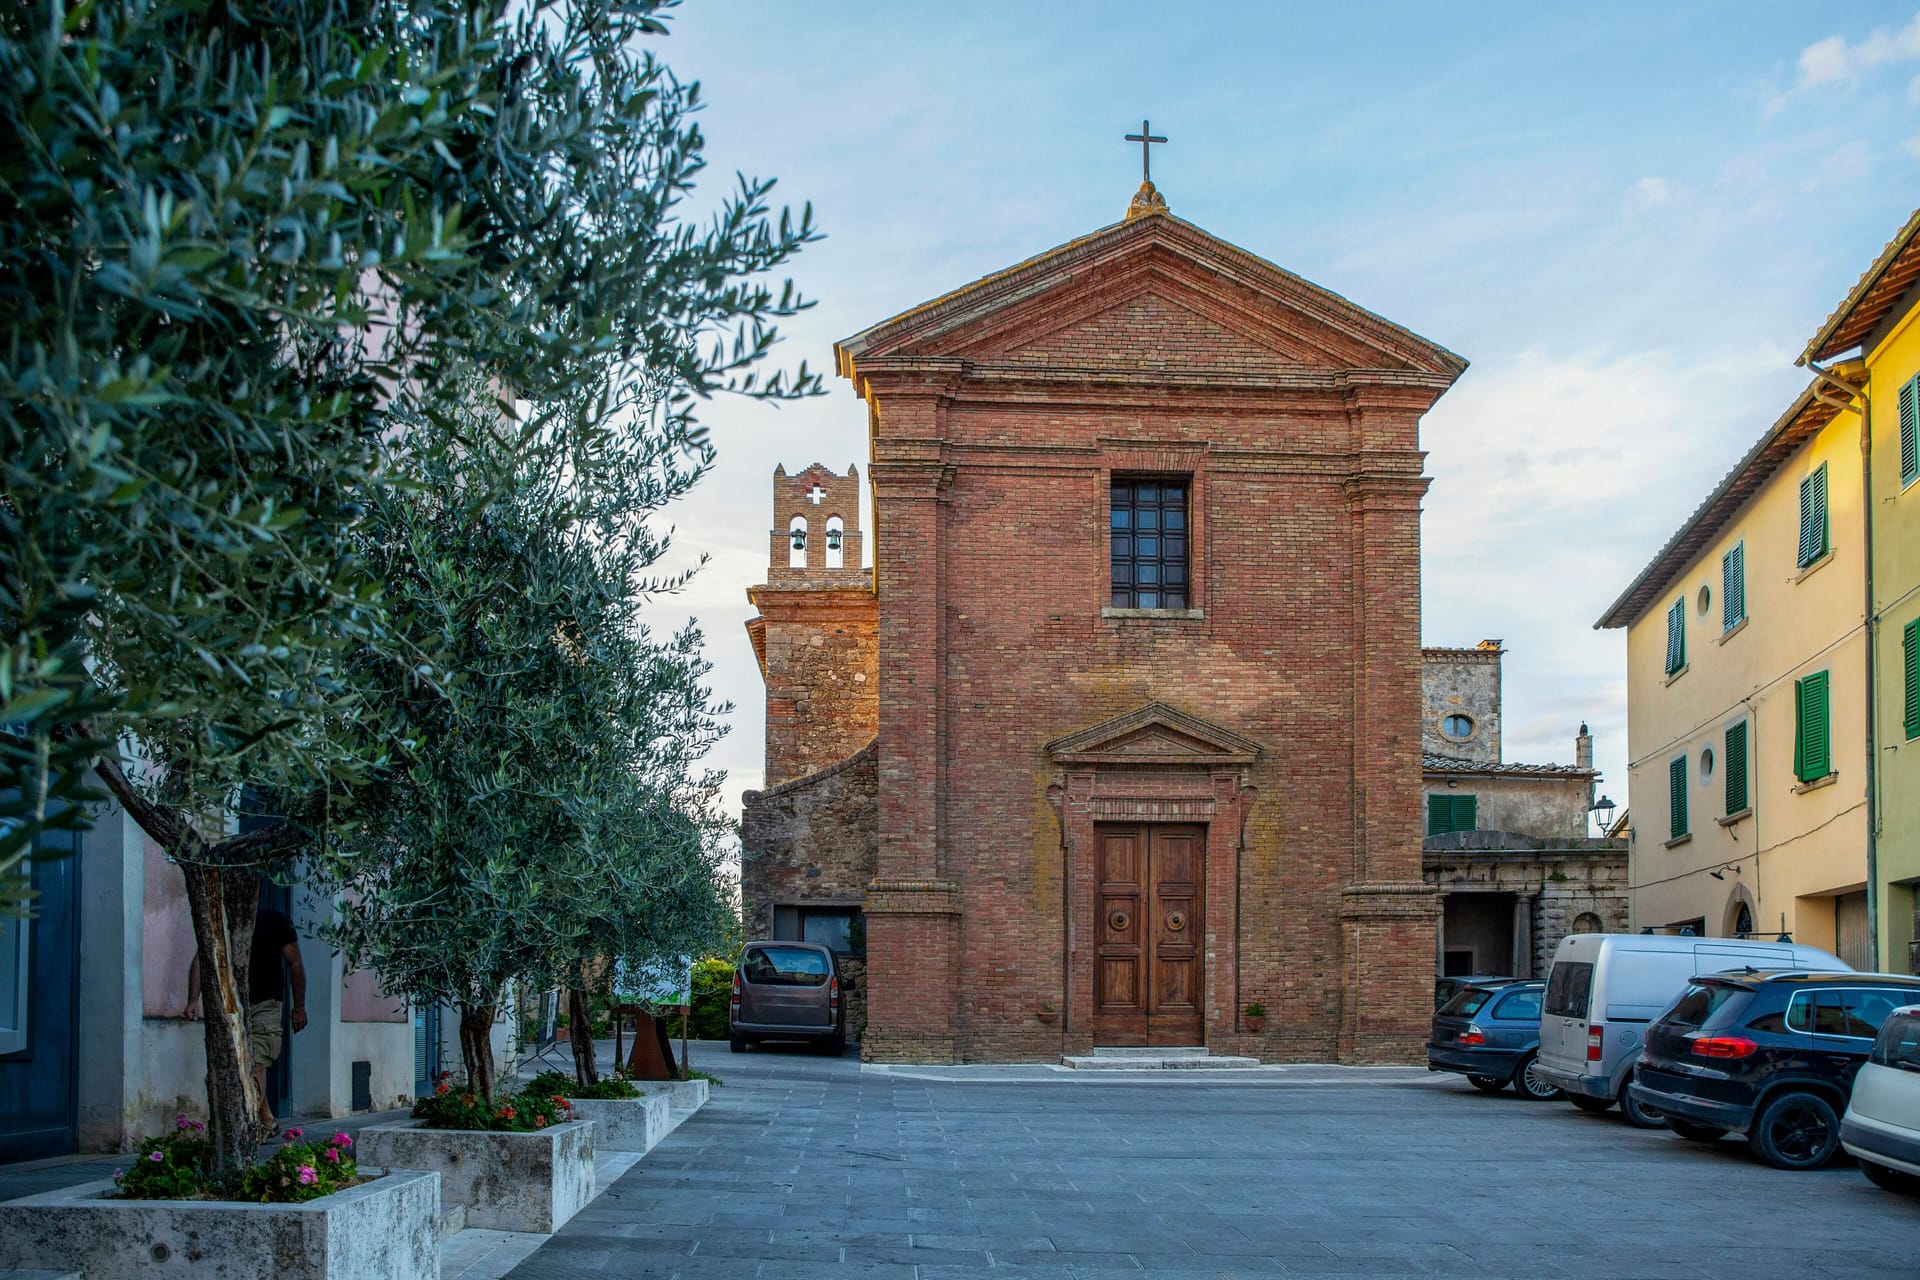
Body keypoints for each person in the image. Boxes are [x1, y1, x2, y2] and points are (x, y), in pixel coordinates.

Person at [185, 905, 307, 1135]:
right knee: (240, 1066)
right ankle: (266, 1119)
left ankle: (251, 1129)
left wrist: (299, 1007)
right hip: (230, 1004)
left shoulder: (275, 919)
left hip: (266, 1004)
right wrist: (193, 999)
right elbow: (202, 957)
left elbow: (295, 963)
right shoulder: (222, 915)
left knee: (257, 1064)